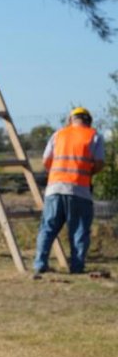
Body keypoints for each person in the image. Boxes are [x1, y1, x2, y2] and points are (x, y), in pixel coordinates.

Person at [32, 107, 106, 275]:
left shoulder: (58, 134)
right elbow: (99, 163)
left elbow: (46, 160)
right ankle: (77, 267)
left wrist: (57, 174)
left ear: (70, 119)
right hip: (79, 190)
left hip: (54, 188)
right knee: (79, 230)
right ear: (88, 120)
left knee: (48, 227)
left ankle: (40, 264)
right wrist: (88, 173)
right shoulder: (94, 136)